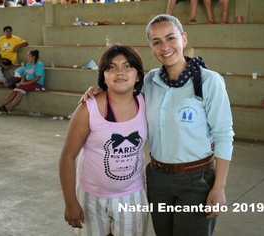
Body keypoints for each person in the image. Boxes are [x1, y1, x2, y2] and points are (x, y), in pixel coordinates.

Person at [82, 14, 234, 236]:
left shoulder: (210, 81)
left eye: (170, 38)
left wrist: (218, 188)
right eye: (156, 42)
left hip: (197, 180)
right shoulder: (150, 81)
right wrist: (97, 91)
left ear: (183, 39)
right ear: (151, 47)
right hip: (158, 179)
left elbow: (223, 135)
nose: (165, 47)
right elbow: (123, 94)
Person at [59, 44, 149, 236]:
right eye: (111, 67)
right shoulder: (88, 109)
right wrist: (70, 202)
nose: (120, 72)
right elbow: (67, 157)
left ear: (138, 75)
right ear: (103, 77)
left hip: (132, 196)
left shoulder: (147, 104)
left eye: (127, 66)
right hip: (91, 197)